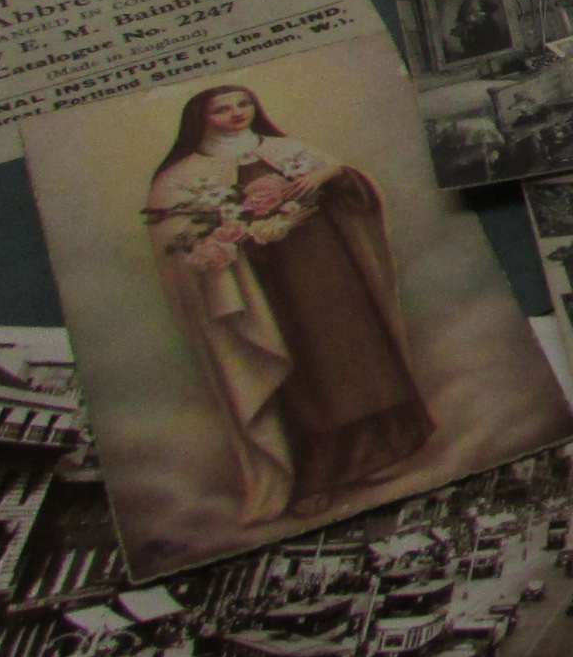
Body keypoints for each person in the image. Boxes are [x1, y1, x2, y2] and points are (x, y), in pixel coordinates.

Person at [141, 84, 434, 525]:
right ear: (200, 120)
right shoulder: (181, 177)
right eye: (222, 110)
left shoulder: (287, 150)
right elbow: (176, 243)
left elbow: (355, 196)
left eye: (243, 104)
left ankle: (377, 453)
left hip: (330, 276)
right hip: (270, 291)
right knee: (304, 374)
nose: (237, 113)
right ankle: (318, 478)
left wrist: (332, 175)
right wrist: (224, 235)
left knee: (355, 360)